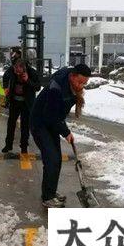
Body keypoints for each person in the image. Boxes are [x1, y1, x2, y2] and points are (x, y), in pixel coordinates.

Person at [30, 64, 91, 208]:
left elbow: (57, 115)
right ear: (72, 76)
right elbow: (51, 115)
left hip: (51, 123)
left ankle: (50, 192)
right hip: (40, 123)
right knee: (51, 158)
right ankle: (47, 198)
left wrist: (64, 130)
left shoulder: (71, 86)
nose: (81, 86)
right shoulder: (56, 88)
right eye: (79, 82)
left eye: (84, 83)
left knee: (56, 159)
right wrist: (66, 132)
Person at [1, 56, 40, 154]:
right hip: (14, 102)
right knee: (11, 123)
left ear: (24, 68)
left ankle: (24, 147)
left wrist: (27, 80)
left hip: (26, 103)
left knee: (25, 125)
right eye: (15, 70)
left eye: (19, 71)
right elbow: (5, 77)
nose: (16, 72)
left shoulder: (32, 72)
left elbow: (38, 87)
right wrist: (6, 87)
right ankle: (8, 145)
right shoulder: (13, 70)